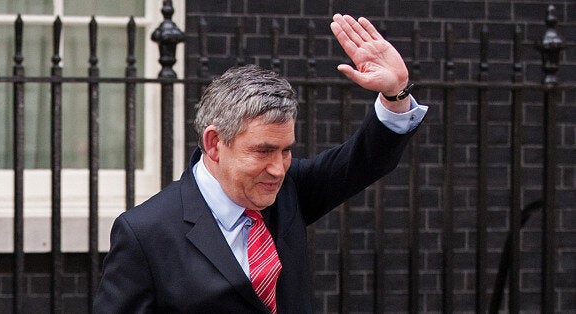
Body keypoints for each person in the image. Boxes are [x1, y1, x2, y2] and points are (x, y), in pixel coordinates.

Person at [94, 14, 428, 313]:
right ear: (214, 144)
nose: (278, 168)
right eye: (263, 151)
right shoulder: (146, 232)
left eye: (285, 151)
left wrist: (395, 93)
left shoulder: (287, 188)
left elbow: (361, 162)